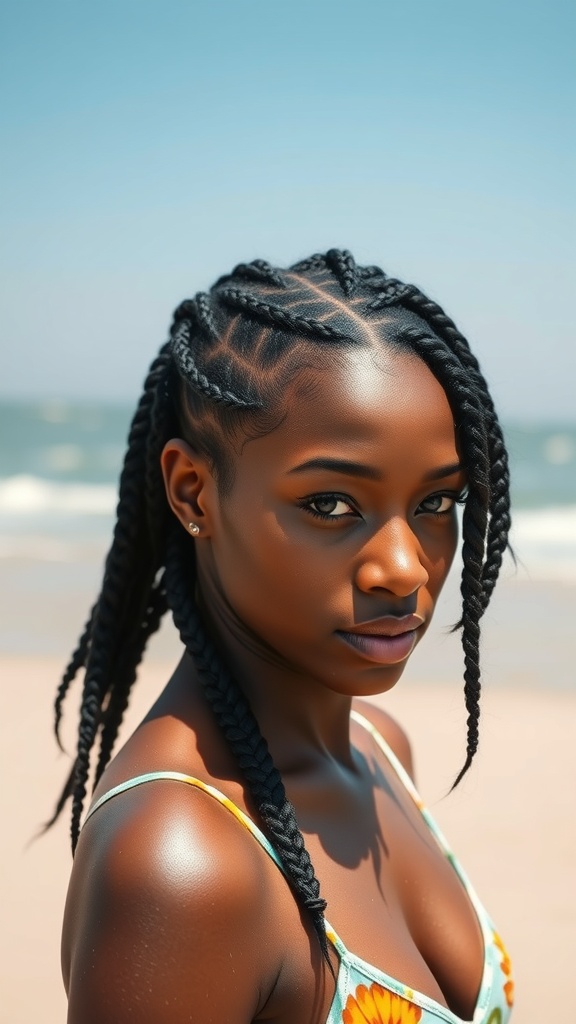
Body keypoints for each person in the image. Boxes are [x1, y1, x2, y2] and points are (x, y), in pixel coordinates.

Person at [51, 250, 514, 1024]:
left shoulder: (380, 748)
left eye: (437, 503)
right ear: (193, 493)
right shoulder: (180, 860)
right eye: (332, 505)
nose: (404, 570)